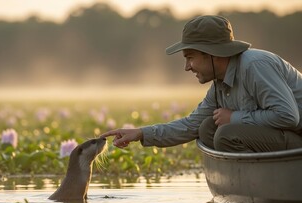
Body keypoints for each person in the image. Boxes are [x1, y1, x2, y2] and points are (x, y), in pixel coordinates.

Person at [101, 15, 302, 153]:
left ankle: (260, 188)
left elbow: (288, 116)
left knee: (226, 133)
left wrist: (234, 117)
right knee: (207, 127)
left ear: (212, 54)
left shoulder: (255, 66)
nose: (187, 67)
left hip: (297, 138)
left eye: (190, 58)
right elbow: (191, 125)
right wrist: (140, 133)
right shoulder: (219, 85)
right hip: (283, 137)